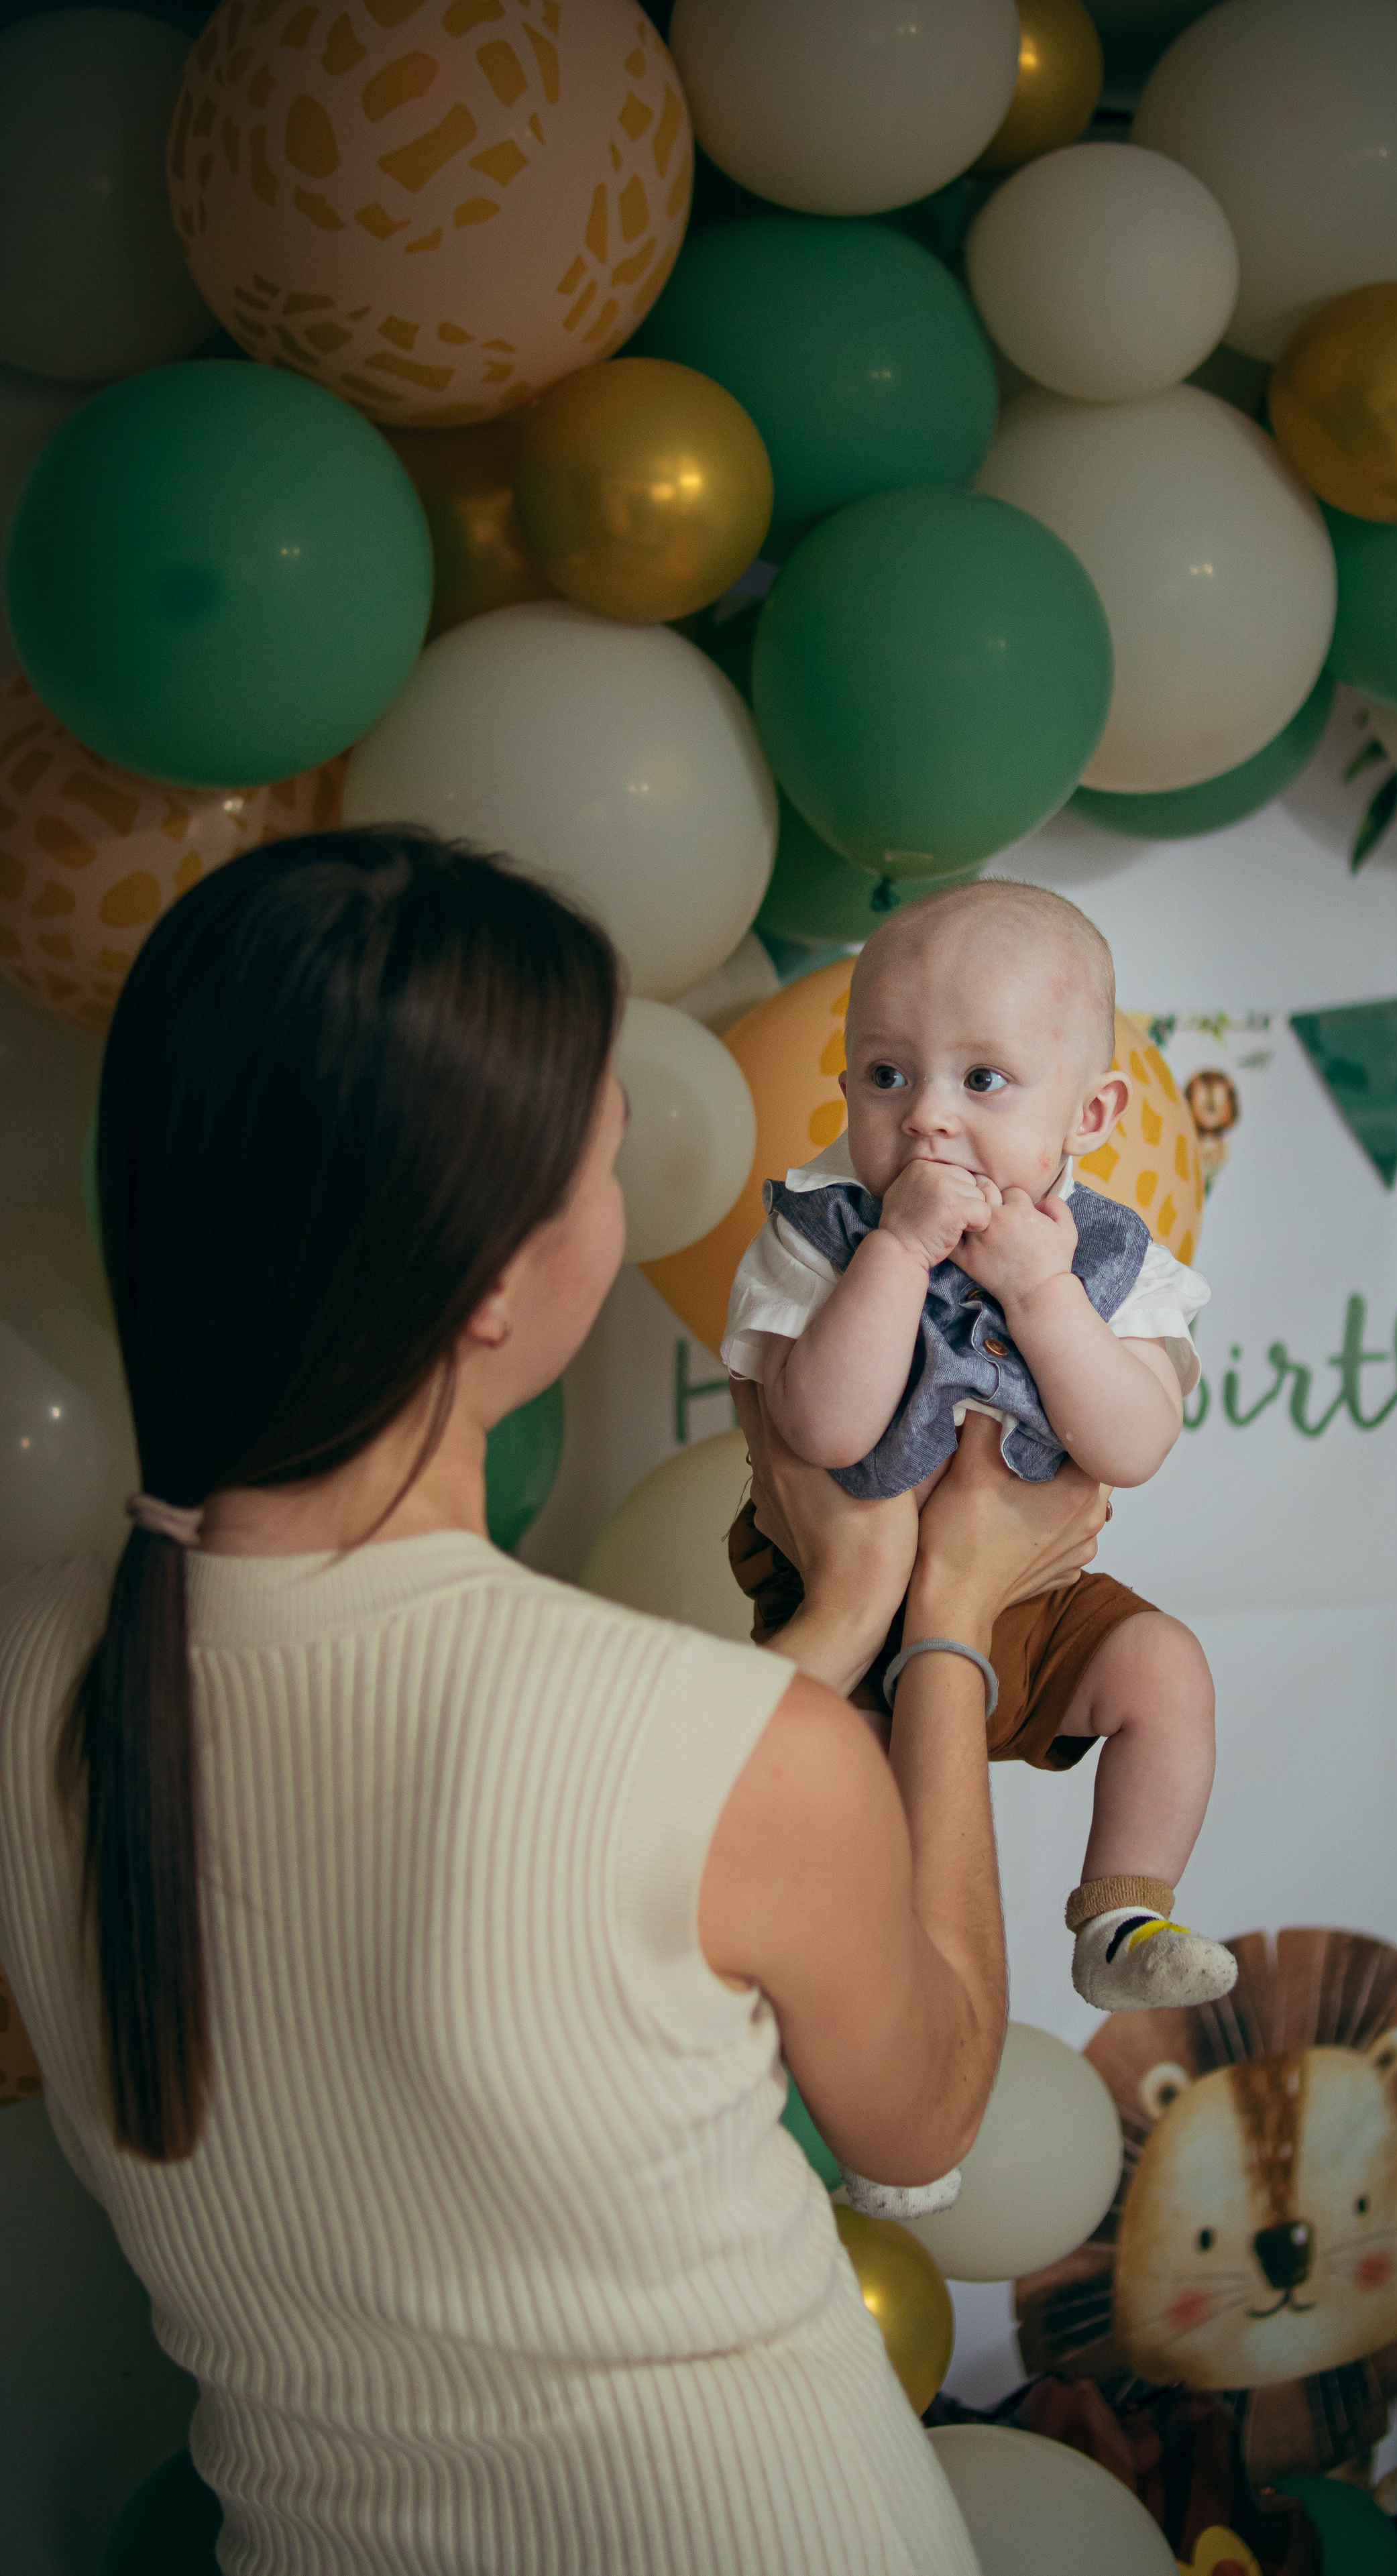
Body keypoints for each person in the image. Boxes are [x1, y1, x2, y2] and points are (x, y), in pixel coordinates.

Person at [0, 828, 1107, 2576]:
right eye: (603, 1156)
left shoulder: (30, 1661)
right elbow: (933, 2111)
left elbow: (527, 1865)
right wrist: (950, 1619)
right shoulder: (737, 1758)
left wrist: (837, 1620)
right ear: (501, 1282)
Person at [722, 882, 1235, 2102]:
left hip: (1034, 1603)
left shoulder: (1108, 1255)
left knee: (1167, 1673)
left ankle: (1121, 1914)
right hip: (849, 1618)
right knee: (852, 1829)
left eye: (983, 1079)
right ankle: (856, 2051)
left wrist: (1045, 1294)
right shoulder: (818, 1232)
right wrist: (897, 1254)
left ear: (1089, 1113)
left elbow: (1133, 1442)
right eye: (886, 1075)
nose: (927, 1119)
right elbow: (824, 1424)